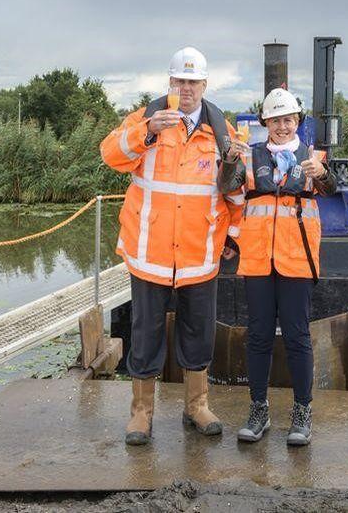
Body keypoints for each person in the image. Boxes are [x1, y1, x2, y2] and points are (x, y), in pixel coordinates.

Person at [101, 46, 242, 446]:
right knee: (145, 335)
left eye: (193, 81)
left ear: (205, 85)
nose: (186, 88)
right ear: (169, 82)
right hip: (151, 254)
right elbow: (110, 154)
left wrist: (233, 235)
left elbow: (234, 190)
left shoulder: (221, 129)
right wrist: (146, 132)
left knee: (198, 334)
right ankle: (141, 414)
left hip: (200, 256)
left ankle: (196, 406)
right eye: (179, 80)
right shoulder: (146, 119)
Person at [219, 88, 337, 446]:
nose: (282, 126)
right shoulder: (251, 157)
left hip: (296, 258)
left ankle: (303, 412)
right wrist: (228, 162)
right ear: (265, 123)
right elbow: (228, 189)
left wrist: (324, 174)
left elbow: (331, 190)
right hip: (257, 259)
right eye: (275, 120)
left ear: (297, 122)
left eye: (288, 120)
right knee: (257, 336)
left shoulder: (313, 158)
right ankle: (259, 409)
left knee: (299, 337)